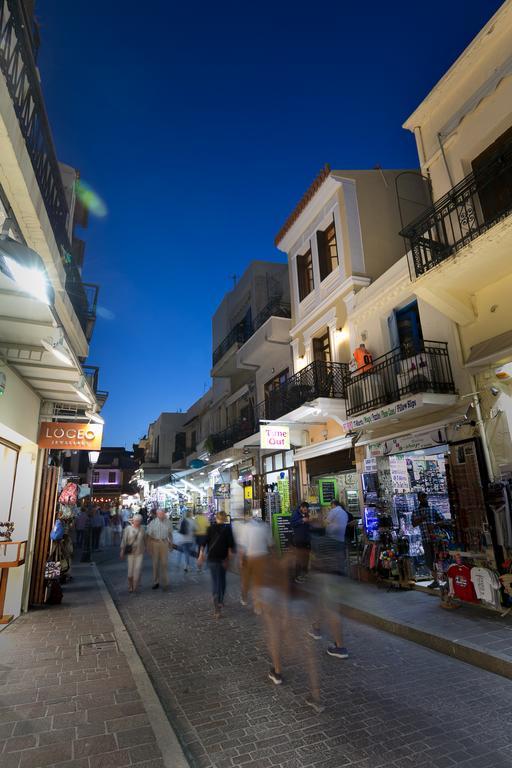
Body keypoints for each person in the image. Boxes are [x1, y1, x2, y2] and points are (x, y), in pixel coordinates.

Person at [198, 511, 235, 617]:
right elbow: (230, 546)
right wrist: (229, 558)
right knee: (222, 579)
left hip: (212, 558)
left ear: (216, 518)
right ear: (224, 519)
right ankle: (220, 599)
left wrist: (201, 555)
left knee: (215, 580)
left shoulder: (210, 528)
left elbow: (203, 543)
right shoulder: (228, 529)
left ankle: (216, 597)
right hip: (222, 558)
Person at [237, 512, 273, 609]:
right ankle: (257, 604)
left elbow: (242, 546)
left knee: (246, 580)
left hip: (249, 557)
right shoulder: (265, 526)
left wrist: (240, 559)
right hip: (262, 556)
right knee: (259, 581)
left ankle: (244, 597)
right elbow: (270, 544)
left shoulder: (246, 527)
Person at [412, 491, 445, 588]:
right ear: (419, 499)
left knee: (441, 559)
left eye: (425, 497)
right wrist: (422, 518)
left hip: (436, 538)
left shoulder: (433, 508)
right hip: (425, 538)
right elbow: (413, 523)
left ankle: (444, 579)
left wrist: (435, 525)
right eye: (422, 497)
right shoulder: (416, 511)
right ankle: (435, 580)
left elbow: (442, 520)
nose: (424, 499)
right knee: (429, 561)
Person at [146, 508, 174, 590]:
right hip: (155, 543)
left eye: (163, 514)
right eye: (161, 514)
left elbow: (170, 534)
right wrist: (148, 547)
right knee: (155, 564)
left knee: (164, 563)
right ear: (157, 515)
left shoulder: (168, 522)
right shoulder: (153, 523)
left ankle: (165, 582)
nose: (162, 515)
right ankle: (156, 582)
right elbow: (148, 536)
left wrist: (171, 544)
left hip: (164, 543)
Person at [120, 514, 145, 593]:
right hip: (130, 552)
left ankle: (135, 586)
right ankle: (130, 584)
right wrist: (122, 550)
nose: (137, 523)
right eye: (136, 521)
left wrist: (147, 548)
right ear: (133, 521)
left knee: (137, 569)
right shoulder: (128, 529)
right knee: (130, 572)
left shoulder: (142, 529)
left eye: (139, 521)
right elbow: (124, 540)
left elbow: (145, 539)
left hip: (139, 552)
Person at [326, 499, 349, 575]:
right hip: (341, 538)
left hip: (332, 538)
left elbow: (326, 522)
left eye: (331, 506)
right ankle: (341, 573)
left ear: (333, 505)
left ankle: (335, 574)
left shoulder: (333, 511)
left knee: (333, 557)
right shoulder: (344, 513)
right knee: (340, 557)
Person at [291, 501, 311, 582]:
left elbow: (308, 525)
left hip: (306, 539)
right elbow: (292, 523)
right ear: (301, 508)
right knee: (299, 558)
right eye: (305, 509)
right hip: (299, 539)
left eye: (307, 510)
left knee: (306, 557)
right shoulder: (295, 514)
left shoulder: (306, 513)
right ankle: (297, 576)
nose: (306, 511)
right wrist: (302, 520)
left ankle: (304, 574)